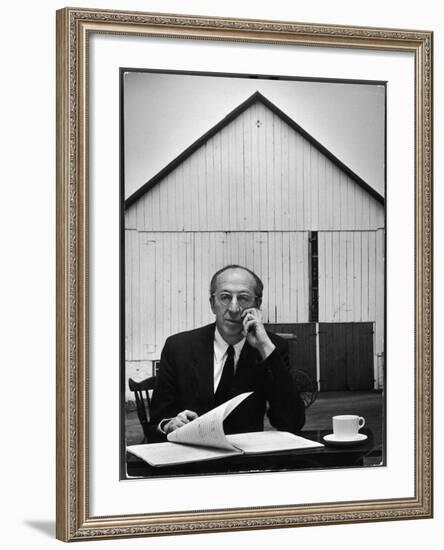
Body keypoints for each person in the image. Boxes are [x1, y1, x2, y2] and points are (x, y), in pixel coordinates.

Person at [147, 265, 305, 442]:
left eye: (244, 298)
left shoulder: (272, 347)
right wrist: (169, 426)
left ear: (257, 305)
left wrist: (265, 347)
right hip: (192, 459)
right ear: (212, 304)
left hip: (244, 460)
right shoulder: (178, 348)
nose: (234, 308)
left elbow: (292, 422)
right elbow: (155, 425)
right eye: (225, 297)